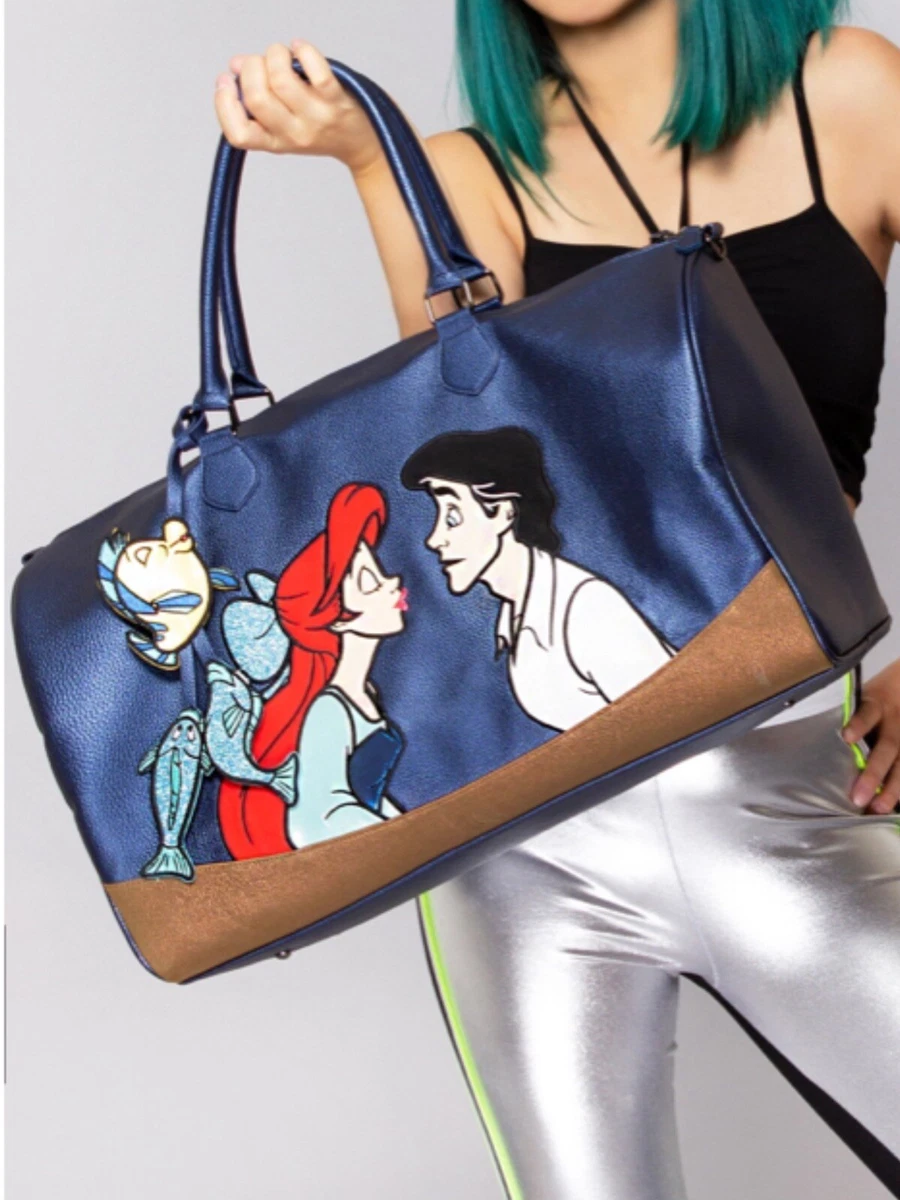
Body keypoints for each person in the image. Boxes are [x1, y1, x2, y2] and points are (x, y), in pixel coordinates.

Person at [213, 5, 900, 1196]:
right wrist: (374, 162)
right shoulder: (471, 172)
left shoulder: (847, 91)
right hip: (531, 836)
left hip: (791, 772)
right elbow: (471, 446)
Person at [400, 426, 674, 729]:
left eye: (453, 517)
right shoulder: (518, 614)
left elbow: (674, 716)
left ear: (503, 512)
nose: (434, 539)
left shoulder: (585, 608)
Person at [217, 482, 408, 860]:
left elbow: (363, 796)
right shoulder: (330, 711)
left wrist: (410, 830)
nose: (393, 583)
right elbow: (316, 820)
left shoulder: (364, 695)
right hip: (365, 856)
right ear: (335, 619)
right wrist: (402, 841)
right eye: (369, 581)